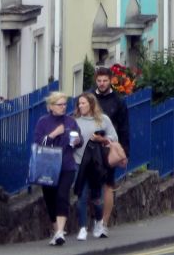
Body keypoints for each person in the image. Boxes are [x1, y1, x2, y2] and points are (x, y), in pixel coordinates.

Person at [31, 92, 82, 245]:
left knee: (62, 196)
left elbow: (78, 141)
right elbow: (39, 143)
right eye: (59, 105)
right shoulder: (43, 122)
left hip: (67, 165)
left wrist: (78, 140)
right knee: (50, 199)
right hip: (48, 167)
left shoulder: (71, 121)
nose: (63, 107)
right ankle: (56, 231)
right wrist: (54, 134)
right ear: (51, 107)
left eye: (65, 104)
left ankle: (60, 232)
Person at [72, 93, 118, 241]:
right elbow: (69, 142)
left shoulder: (103, 120)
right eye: (79, 103)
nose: (80, 106)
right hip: (79, 163)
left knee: (97, 198)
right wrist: (73, 141)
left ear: (91, 104)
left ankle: (99, 222)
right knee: (81, 197)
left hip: (96, 164)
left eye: (83, 103)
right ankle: (83, 228)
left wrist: (101, 139)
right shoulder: (75, 121)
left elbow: (113, 138)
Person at [93, 66, 129, 238]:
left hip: (110, 149)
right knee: (91, 185)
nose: (102, 84)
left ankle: (104, 223)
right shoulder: (89, 99)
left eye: (105, 81)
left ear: (111, 80)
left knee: (108, 185)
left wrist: (125, 152)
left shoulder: (118, 102)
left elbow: (124, 128)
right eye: (99, 81)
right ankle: (95, 219)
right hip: (91, 149)